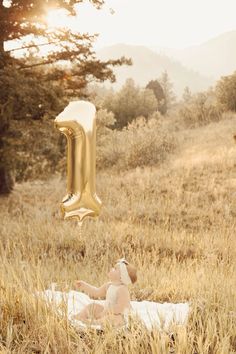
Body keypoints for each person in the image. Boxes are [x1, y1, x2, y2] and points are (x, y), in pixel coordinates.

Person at [72, 259, 137, 327]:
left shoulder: (122, 289)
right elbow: (96, 292)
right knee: (92, 306)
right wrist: (84, 286)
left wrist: (107, 312)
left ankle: (95, 322)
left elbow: (120, 308)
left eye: (115, 269)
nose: (112, 269)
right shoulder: (109, 285)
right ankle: (80, 316)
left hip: (119, 314)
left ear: (121, 277)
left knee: (113, 318)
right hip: (106, 311)